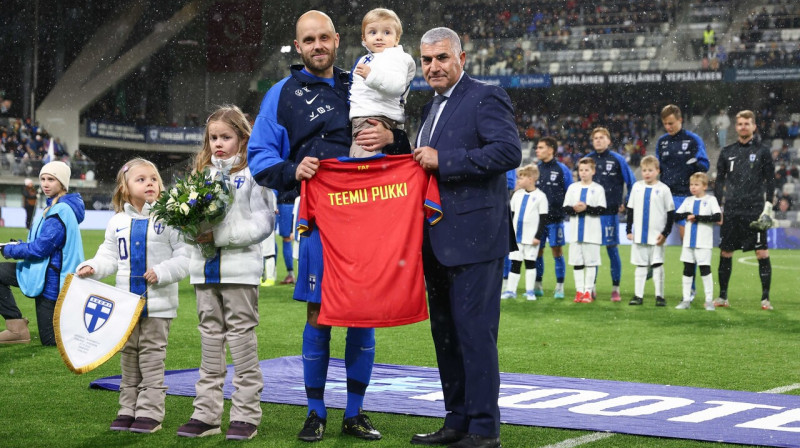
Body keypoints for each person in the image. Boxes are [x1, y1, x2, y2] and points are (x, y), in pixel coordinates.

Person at [247, 10, 408, 442]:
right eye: (308, 40)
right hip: (319, 219)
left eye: (324, 38)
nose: (317, 46)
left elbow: (405, 141)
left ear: (337, 40)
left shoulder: (361, 80)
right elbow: (260, 157)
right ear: (298, 47)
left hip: (371, 221)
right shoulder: (281, 94)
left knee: (363, 315)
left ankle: (355, 414)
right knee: (318, 315)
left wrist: (394, 140)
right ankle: (315, 412)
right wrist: (292, 168)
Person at [410, 26, 521, 448]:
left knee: (474, 334)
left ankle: (483, 427)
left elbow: (509, 152)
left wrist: (447, 159)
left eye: (441, 58)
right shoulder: (429, 108)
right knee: (447, 335)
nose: (434, 67)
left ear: (461, 58)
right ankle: (456, 419)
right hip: (437, 241)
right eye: (427, 60)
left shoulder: (485, 95)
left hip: (477, 239)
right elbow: (424, 164)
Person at [176, 105, 275, 440]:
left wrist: (218, 236)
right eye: (213, 137)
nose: (218, 143)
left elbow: (264, 224)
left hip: (240, 272)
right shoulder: (201, 176)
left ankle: (246, 415)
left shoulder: (256, 173)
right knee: (209, 343)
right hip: (205, 272)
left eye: (226, 137)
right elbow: (186, 224)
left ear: (242, 137)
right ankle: (206, 415)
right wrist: (189, 230)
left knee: (242, 343)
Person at [76, 158, 189, 433]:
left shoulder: (170, 217)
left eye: (153, 178)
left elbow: (186, 257)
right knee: (128, 357)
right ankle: (128, 408)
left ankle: (150, 411)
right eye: (141, 179)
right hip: (125, 306)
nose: (149, 182)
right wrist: (94, 266)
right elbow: (109, 256)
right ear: (125, 188)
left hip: (158, 306)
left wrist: (162, 271)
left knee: (151, 358)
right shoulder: (117, 221)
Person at [0, 161, 84, 345]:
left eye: (51, 180)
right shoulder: (54, 207)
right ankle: (16, 328)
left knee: (51, 340)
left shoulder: (60, 210)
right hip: (40, 272)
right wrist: (17, 245)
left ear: (62, 184)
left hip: (50, 281)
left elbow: (41, 249)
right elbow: (40, 244)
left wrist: (9, 249)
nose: (45, 184)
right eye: (43, 179)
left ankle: (86, 332)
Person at [713, 110, 775, 310]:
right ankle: (723, 297)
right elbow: (719, 181)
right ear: (736, 126)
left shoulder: (763, 151)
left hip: (754, 211)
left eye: (747, 123)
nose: (743, 127)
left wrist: (768, 207)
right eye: (740, 124)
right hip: (731, 210)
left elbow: (771, 181)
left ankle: (765, 299)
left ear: (754, 126)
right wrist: (717, 206)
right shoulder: (727, 152)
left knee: (762, 253)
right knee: (726, 252)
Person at [655, 104, 708, 297]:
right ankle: (653, 277)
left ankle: (691, 287)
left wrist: (695, 163)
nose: (668, 127)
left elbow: (705, 165)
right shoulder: (662, 142)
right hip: (664, 197)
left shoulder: (693, 140)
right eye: (665, 124)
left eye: (671, 123)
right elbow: (657, 167)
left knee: (688, 243)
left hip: (685, 197)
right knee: (656, 239)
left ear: (680, 120)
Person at [349, 7, 416, 158]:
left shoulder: (397, 57)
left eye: (387, 32)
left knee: (364, 168)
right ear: (364, 39)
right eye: (373, 32)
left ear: (397, 38)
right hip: (367, 117)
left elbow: (397, 85)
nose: (379, 37)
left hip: (374, 118)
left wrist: (371, 76)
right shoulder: (368, 58)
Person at [586, 127, 635, 302]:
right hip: (591, 214)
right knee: (592, 251)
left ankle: (616, 288)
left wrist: (627, 201)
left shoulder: (617, 159)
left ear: (608, 140)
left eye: (601, 137)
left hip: (610, 213)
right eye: (595, 138)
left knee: (612, 250)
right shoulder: (588, 160)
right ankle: (591, 288)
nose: (598, 140)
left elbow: (632, 183)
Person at [626, 155, 675, 307]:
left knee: (657, 265)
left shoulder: (664, 189)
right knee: (640, 266)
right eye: (644, 170)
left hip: (657, 236)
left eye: (650, 170)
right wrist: (628, 229)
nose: (647, 173)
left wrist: (666, 233)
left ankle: (659, 296)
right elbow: (630, 209)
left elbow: (670, 213)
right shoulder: (637, 187)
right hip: (640, 235)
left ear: (658, 171)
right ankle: (638, 295)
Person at [673, 172, 721, 311]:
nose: (693, 187)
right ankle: (686, 299)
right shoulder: (688, 200)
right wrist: (688, 215)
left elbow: (717, 217)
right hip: (688, 242)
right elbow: (677, 215)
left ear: (704, 186)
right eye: (691, 185)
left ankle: (709, 301)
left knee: (705, 270)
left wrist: (698, 217)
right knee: (687, 270)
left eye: (696, 185)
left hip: (703, 243)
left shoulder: (711, 200)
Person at [563, 157, 607, 303]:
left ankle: (588, 291)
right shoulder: (572, 188)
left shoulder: (598, 189)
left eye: (586, 170)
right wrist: (575, 209)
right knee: (577, 262)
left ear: (593, 171)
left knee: (591, 263)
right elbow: (566, 208)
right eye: (581, 170)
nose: (583, 173)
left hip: (592, 233)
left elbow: (601, 209)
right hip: (575, 233)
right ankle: (579, 291)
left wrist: (586, 208)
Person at [533, 136, 572, 299]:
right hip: (537, 220)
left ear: (551, 150)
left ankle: (560, 286)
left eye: (541, 147)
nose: (537, 150)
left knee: (557, 251)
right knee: (537, 251)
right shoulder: (535, 169)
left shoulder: (562, 169)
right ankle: (537, 284)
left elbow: (570, 191)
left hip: (555, 219)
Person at [501, 164, 547, 301]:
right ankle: (510, 290)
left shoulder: (540, 196)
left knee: (530, 263)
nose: (518, 181)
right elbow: (512, 215)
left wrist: (538, 236)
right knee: (515, 263)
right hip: (517, 238)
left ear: (531, 179)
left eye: (521, 178)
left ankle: (530, 291)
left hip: (531, 237)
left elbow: (543, 219)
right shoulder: (517, 195)